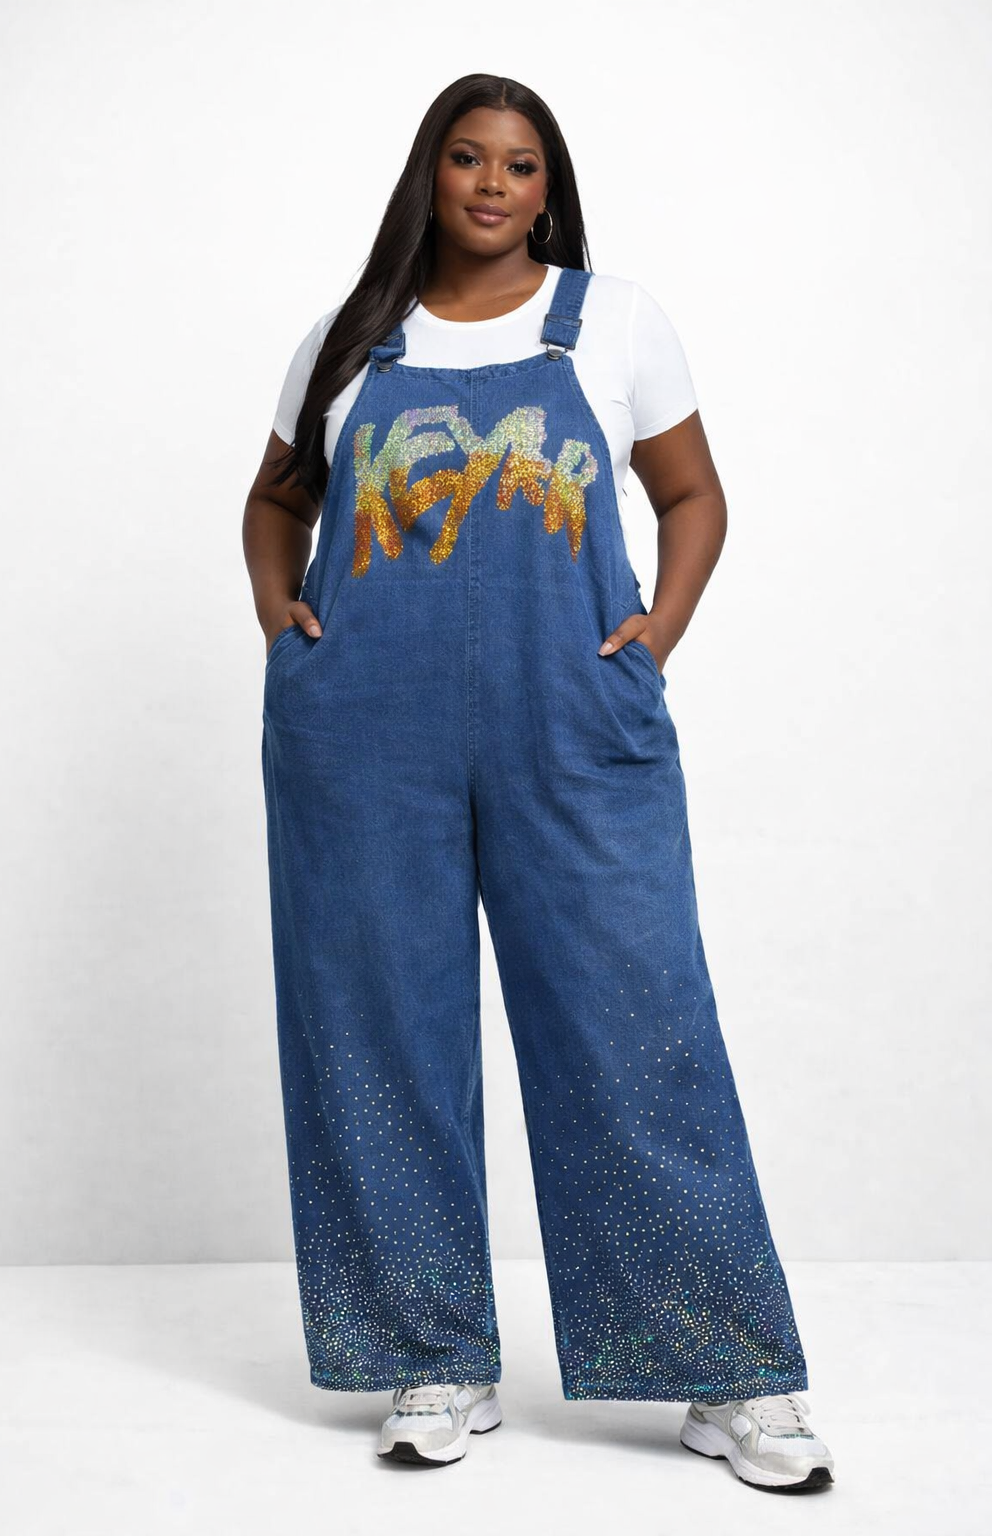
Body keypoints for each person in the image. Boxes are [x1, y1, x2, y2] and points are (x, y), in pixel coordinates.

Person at [242, 73, 836, 1494]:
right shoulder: (349, 337)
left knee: (637, 1025)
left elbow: (692, 495)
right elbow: (276, 497)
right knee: (381, 1029)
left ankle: (725, 1372)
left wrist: (657, 634)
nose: (493, 184)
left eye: (519, 164)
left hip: (575, 721)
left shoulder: (614, 321)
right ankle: (432, 1352)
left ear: (548, 188)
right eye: (467, 158)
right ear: (430, 174)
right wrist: (283, 623)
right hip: (361, 732)